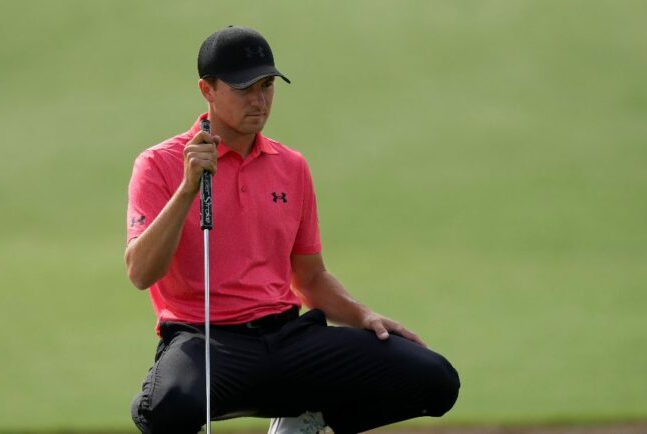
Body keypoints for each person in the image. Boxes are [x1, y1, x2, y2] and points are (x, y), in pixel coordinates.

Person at [126, 26, 459, 434]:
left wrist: (363, 315)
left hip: (287, 338)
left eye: (266, 86)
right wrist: (187, 189)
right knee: (166, 408)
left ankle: (306, 417)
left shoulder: (290, 165)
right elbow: (141, 273)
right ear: (207, 90)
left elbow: (310, 278)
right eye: (244, 88)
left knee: (435, 379)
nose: (259, 100)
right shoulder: (159, 164)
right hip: (207, 343)